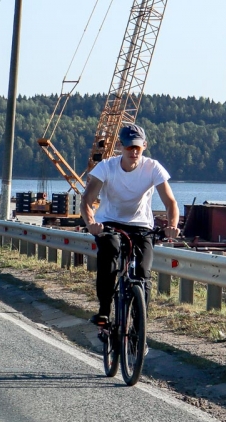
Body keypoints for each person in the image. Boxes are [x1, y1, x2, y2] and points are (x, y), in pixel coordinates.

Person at [80, 124, 180, 326]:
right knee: (109, 255)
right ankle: (105, 309)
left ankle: (139, 324)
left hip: (141, 225)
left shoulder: (153, 167)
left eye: (138, 148)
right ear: (121, 146)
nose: (134, 152)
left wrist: (172, 225)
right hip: (109, 222)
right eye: (129, 148)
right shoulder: (107, 167)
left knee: (144, 273)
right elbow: (87, 199)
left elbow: (170, 203)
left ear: (144, 146)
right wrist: (91, 223)